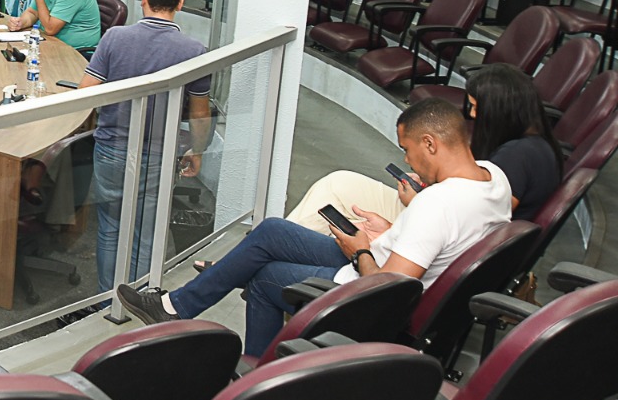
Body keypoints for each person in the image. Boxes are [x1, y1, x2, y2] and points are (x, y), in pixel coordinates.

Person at [117, 98, 512, 357]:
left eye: (407, 150)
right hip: (384, 256)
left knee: (264, 279)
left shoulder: (437, 203)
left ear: (430, 143)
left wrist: (360, 249)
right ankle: (175, 307)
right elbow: (444, 240)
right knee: (271, 231)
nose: (408, 160)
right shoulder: (494, 178)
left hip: (365, 287)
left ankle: (257, 373)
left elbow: (388, 290)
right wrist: (392, 228)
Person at [285, 64, 562, 236]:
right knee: (338, 185)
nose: (473, 115)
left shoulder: (515, 158)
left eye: (477, 107)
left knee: (335, 194)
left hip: (437, 228)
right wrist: (434, 182)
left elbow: (479, 221)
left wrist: (419, 201)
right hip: (439, 213)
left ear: (501, 110)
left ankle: (280, 248)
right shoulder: (535, 147)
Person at [76, 0, 211, 294]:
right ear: (181, 2)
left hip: (112, 147)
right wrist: (197, 151)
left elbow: (85, 93)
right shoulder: (194, 52)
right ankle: (138, 297)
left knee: (110, 229)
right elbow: (199, 113)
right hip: (159, 154)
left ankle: (108, 300)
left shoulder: (115, 37)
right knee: (146, 232)